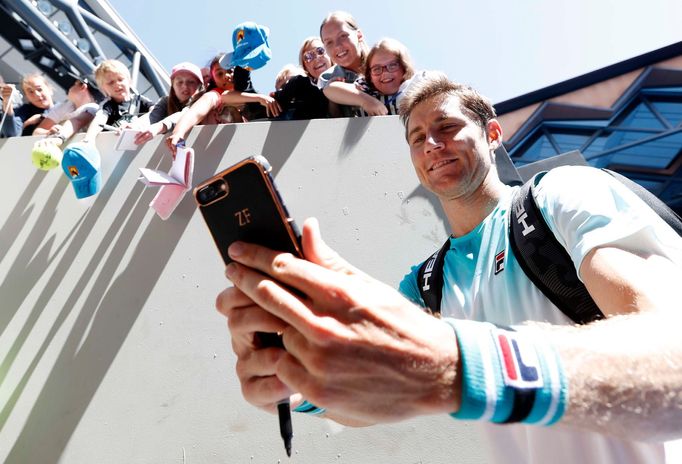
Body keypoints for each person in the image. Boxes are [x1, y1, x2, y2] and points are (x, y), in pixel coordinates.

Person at [215, 72, 682, 463]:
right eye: (418, 138)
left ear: (492, 134)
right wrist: (293, 375)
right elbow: (367, 392)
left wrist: (455, 363)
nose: (432, 145)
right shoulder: (427, 283)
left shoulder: (561, 195)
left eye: (447, 126)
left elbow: (671, 357)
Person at [167, 54, 280, 154]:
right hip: (207, 153)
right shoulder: (213, 96)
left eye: (230, 71)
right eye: (219, 74)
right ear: (213, 80)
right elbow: (195, 112)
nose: (226, 76)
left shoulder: (247, 105)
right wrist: (178, 133)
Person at [318, 11, 386, 117]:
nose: (337, 46)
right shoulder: (328, 77)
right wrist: (365, 100)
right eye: (329, 42)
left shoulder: (384, 59)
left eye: (343, 36)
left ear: (359, 35)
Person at [81, 59, 154, 144]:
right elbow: (99, 120)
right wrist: (89, 138)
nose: (117, 84)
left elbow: (156, 111)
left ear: (129, 81)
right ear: (103, 89)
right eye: (111, 82)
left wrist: (138, 124)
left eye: (120, 79)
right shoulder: (108, 105)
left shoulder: (140, 100)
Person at [134, 62, 203, 145]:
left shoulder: (202, 101)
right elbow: (152, 116)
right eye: (179, 82)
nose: (185, 86)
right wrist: (134, 126)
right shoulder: (165, 102)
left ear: (199, 86)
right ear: (173, 86)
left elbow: (185, 114)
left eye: (191, 82)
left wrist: (159, 127)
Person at [270, 37, 334, 121]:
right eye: (308, 56)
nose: (316, 58)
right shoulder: (301, 86)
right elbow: (271, 108)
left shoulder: (348, 75)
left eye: (320, 51)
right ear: (305, 68)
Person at [359, 38, 415, 115]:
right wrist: (365, 100)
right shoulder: (366, 88)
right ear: (370, 75)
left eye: (392, 65)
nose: (385, 73)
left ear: (404, 67)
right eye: (377, 69)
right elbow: (336, 90)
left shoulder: (416, 86)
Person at [32, 77, 100, 137]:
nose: (70, 87)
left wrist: (61, 132)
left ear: (83, 87)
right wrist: (48, 132)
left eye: (74, 84)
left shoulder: (93, 108)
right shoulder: (66, 106)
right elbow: (37, 132)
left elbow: (77, 121)